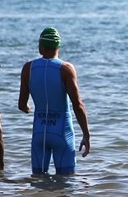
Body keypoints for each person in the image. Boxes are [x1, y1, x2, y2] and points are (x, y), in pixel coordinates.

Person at [18, 27, 91, 174]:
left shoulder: (28, 68)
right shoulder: (65, 68)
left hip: (39, 131)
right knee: (66, 183)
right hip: (61, 132)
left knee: (38, 180)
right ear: (58, 46)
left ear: (41, 47)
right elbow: (78, 105)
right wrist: (86, 135)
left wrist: (29, 108)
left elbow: (22, 105)